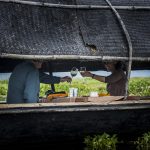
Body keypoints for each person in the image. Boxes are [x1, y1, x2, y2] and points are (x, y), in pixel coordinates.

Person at [7, 60, 72, 104]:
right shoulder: (32, 70)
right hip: (21, 110)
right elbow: (30, 97)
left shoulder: (20, 67)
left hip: (11, 107)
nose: (42, 63)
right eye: (41, 60)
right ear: (35, 59)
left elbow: (43, 77)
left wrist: (61, 79)